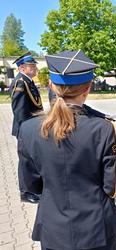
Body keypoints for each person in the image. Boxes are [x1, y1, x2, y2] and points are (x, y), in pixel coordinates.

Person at [17, 50, 116, 250]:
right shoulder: (103, 128)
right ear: (88, 89)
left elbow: (31, 186)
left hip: (53, 228)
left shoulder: (28, 129)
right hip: (97, 229)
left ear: (51, 85)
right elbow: (115, 186)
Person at [10, 52, 43, 204]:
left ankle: (35, 187)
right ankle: (26, 192)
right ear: (22, 68)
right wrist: (26, 131)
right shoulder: (21, 83)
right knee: (26, 162)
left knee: (33, 160)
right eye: (32, 66)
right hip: (25, 129)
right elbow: (19, 111)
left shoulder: (27, 81)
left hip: (31, 128)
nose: (35, 68)